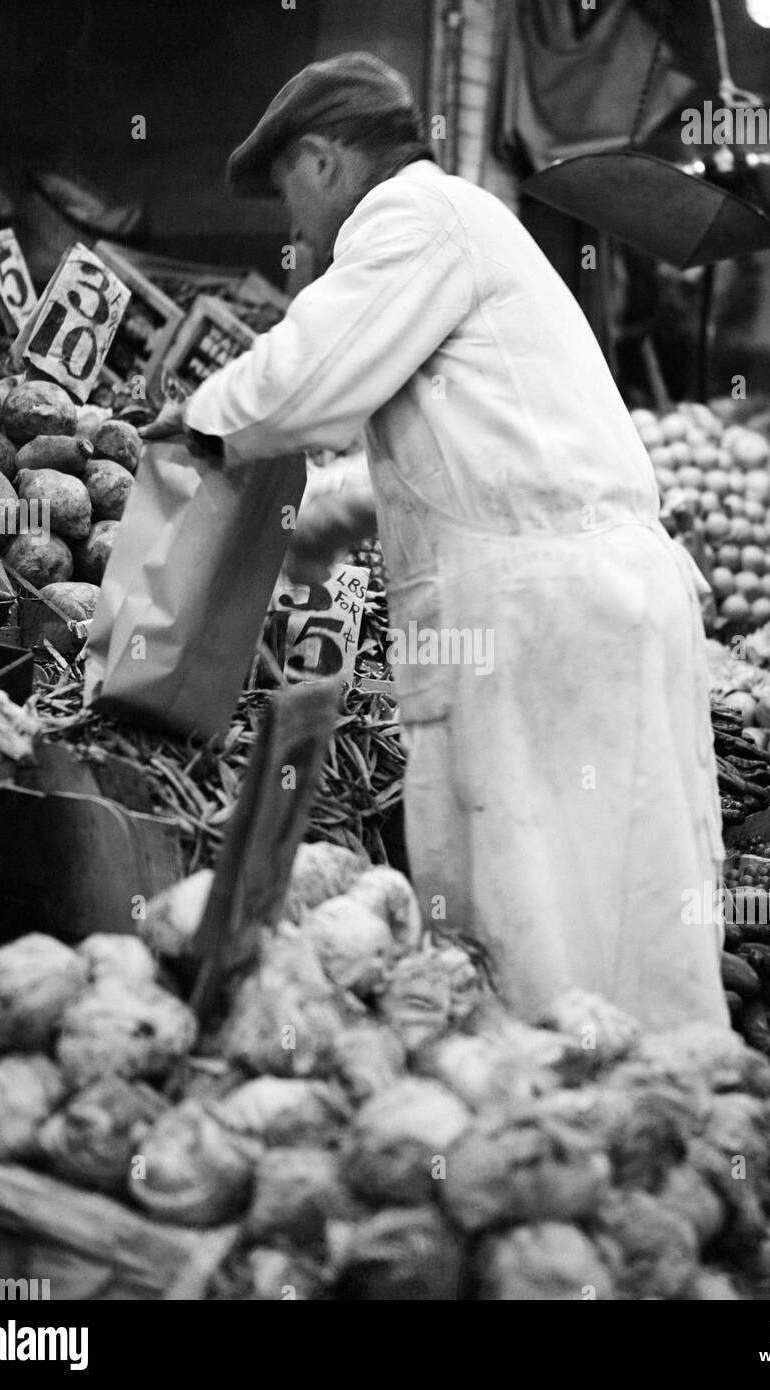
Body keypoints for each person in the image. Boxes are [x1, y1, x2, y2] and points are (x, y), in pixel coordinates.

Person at [143, 51, 727, 1030]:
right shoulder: (454, 222)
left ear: (324, 159)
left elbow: (308, 377)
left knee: (545, 925)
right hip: (569, 601)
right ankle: (625, 1122)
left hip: (541, 620)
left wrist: (196, 420)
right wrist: (317, 525)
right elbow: (460, 460)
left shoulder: (409, 219)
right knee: (605, 910)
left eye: (287, 183)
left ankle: (576, 1138)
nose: (289, 220)